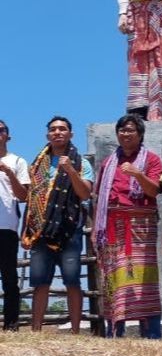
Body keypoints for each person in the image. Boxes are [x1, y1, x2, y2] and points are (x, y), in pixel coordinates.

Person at [93, 114, 162, 339]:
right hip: (112, 224)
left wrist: (137, 174)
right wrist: (97, 229)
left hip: (141, 226)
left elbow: (153, 191)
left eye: (130, 130)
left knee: (144, 278)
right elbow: (99, 198)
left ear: (140, 134)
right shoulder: (108, 163)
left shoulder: (151, 160)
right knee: (113, 277)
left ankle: (151, 333)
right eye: (122, 130)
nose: (125, 134)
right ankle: (115, 332)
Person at [22, 116, 93, 333]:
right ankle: (36, 330)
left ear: (71, 134)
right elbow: (30, 197)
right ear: (47, 135)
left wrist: (71, 170)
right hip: (40, 231)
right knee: (40, 283)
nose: (57, 132)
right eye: (53, 129)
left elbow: (85, 193)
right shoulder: (36, 165)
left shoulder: (82, 163)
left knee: (72, 281)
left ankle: (75, 331)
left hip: (68, 230)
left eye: (62, 129)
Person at [0, 120, 30, 331]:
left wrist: (9, 173)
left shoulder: (17, 161)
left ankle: (11, 324)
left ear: (8, 136)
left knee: (9, 277)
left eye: (0, 130)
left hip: (6, 226)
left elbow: (24, 196)